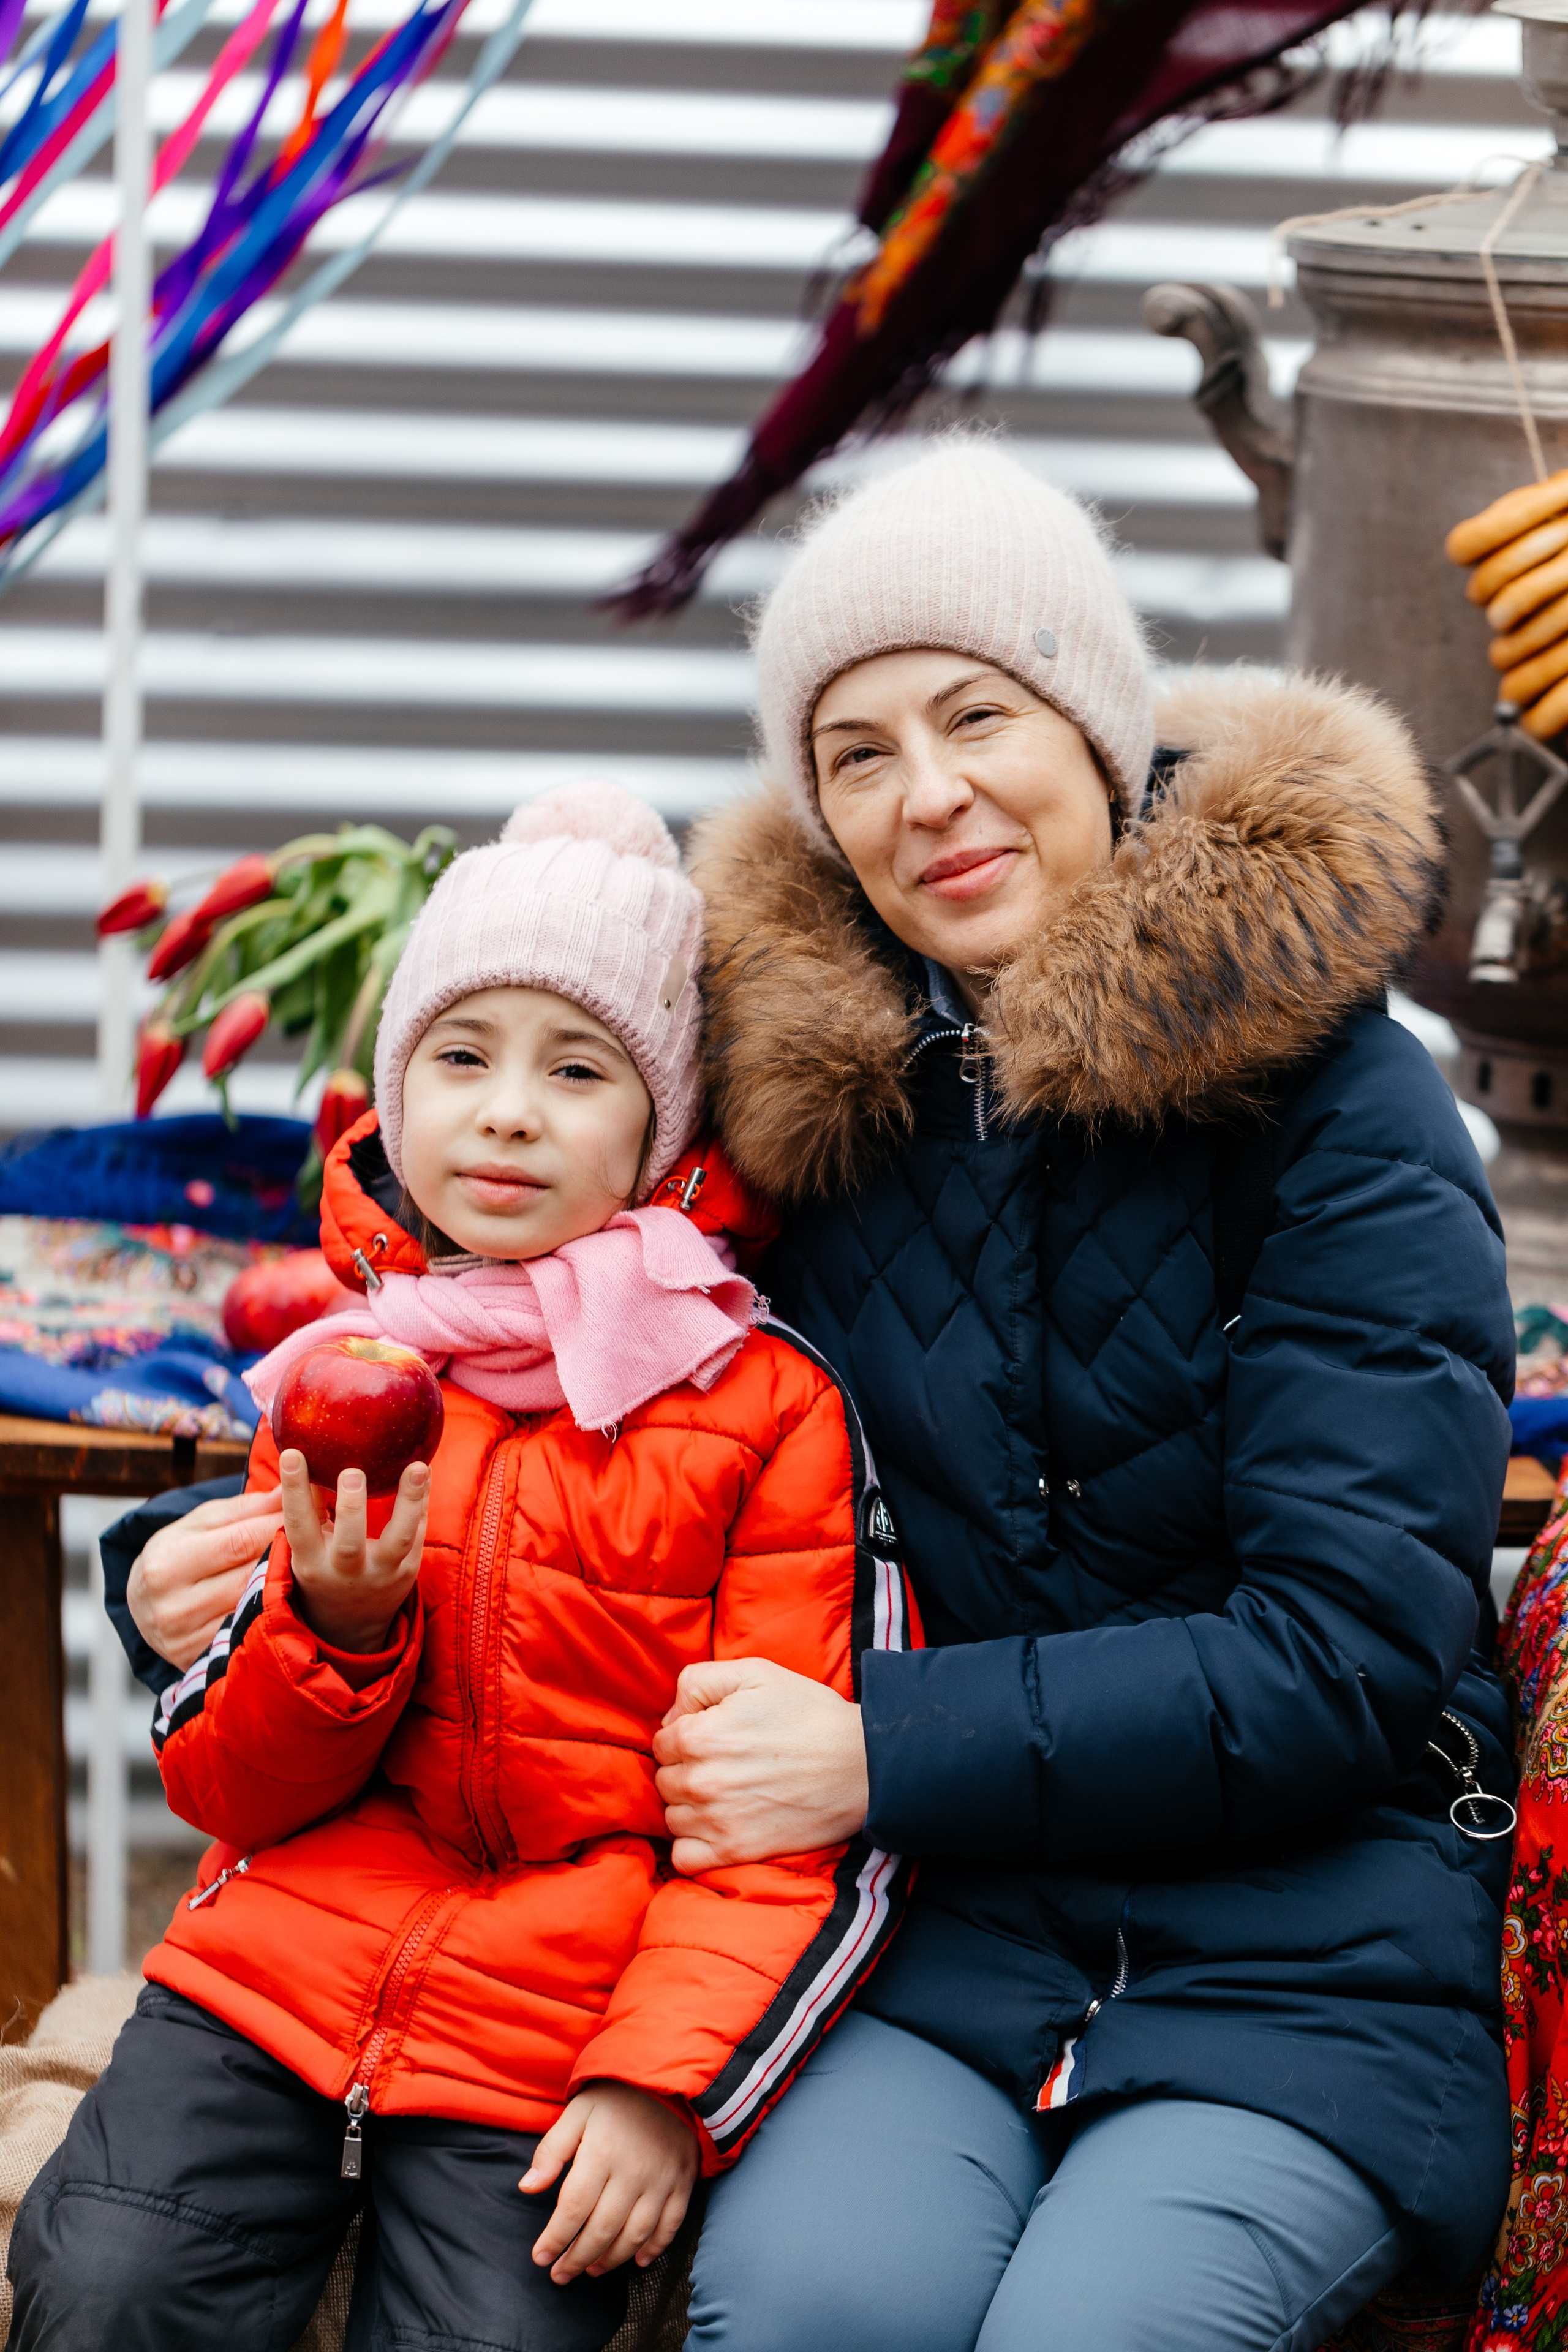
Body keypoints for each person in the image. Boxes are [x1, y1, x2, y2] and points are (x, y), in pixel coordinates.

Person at [109, 434, 1517, 2352]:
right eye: (857, 753)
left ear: (1096, 727)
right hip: (943, 1942)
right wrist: (190, 1558)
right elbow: (526, 1348)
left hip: (1303, 1949)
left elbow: (1348, 1653)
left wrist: (876, 1747)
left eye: (977, 716)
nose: (928, 795)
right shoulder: (816, 1102)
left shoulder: (1346, 1109)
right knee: (809, 2307)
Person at [6, 785, 911, 2352]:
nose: (506, 1113)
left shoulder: (763, 1407)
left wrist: (662, 2085)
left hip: (561, 2021)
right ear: (397, 1091)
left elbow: (782, 1827)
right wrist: (337, 1625)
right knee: (103, 2285)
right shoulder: (343, 1373)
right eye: (462, 1057)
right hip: (271, 1976)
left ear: (661, 1129)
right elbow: (232, 1790)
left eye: (577, 1070)